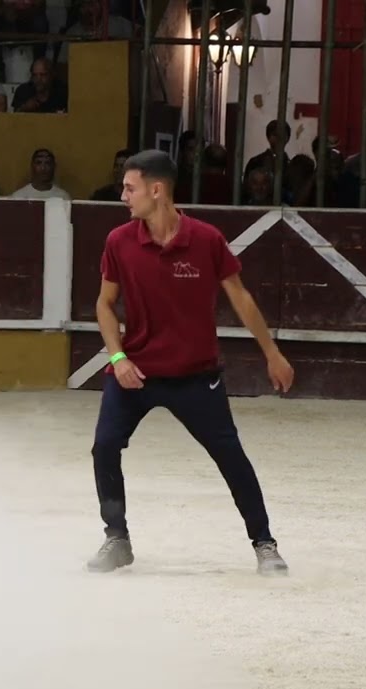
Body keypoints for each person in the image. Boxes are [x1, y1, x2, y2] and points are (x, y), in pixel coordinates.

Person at [87, 149, 294, 577]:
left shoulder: (206, 239)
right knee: (104, 446)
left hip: (196, 376)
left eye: (130, 187)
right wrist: (118, 356)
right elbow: (105, 306)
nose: (123, 195)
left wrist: (271, 353)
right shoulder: (119, 242)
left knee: (231, 456)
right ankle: (117, 538)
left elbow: (241, 298)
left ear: (156, 190)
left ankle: (264, 543)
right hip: (135, 372)